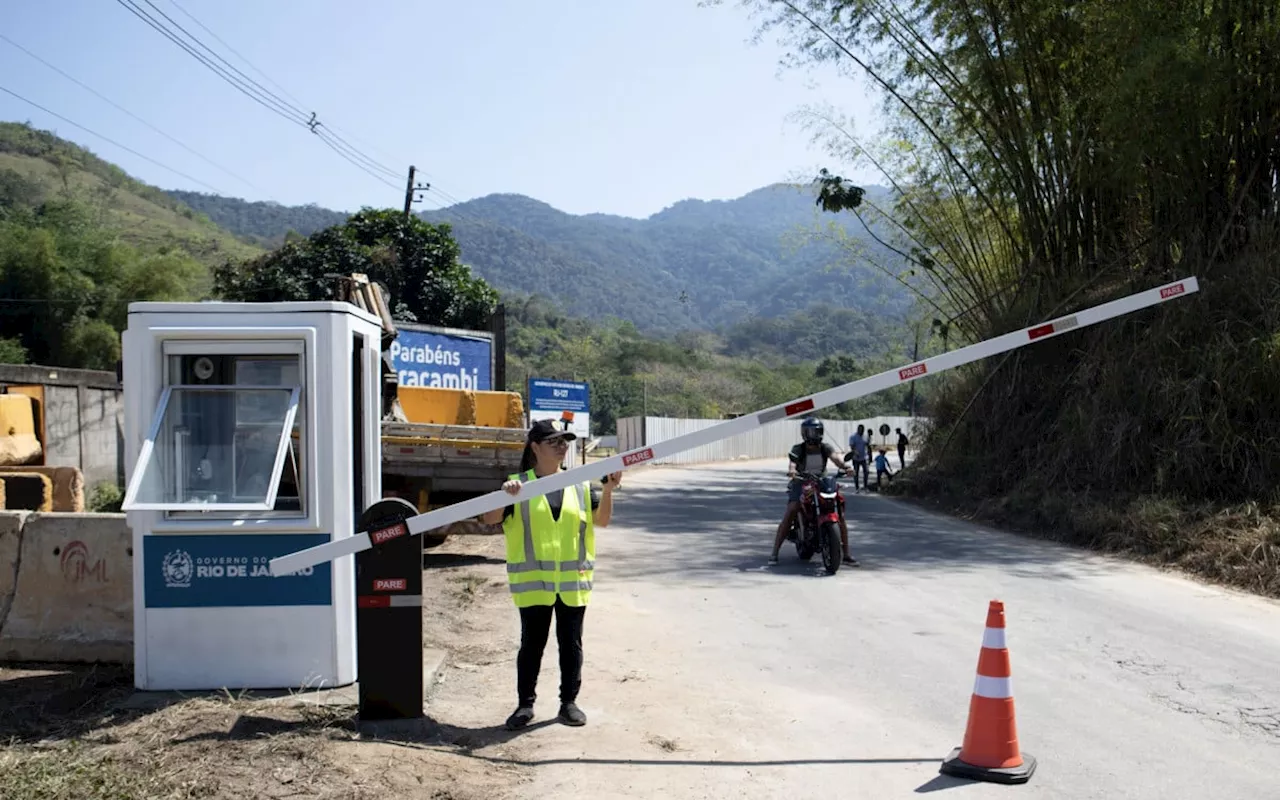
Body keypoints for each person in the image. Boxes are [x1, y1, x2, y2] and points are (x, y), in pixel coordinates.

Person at [480, 418, 622, 731]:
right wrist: (506, 495)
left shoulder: (580, 482)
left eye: (565, 441)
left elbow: (602, 521)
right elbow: (489, 519)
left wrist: (608, 490)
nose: (562, 447)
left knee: (571, 644)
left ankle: (568, 703)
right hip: (535, 584)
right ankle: (524, 706)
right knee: (532, 645)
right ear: (535, 447)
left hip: (572, 583)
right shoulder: (518, 484)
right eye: (554, 441)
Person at [770, 416, 859, 567]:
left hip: (821, 482)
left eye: (816, 432)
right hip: (801, 482)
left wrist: (846, 467)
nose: (813, 435)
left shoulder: (825, 447)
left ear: (821, 432)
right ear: (804, 433)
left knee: (839, 512)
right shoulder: (799, 448)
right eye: (810, 432)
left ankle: (846, 554)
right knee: (792, 508)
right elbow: (793, 463)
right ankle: (775, 552)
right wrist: (792, 471)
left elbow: (836, 459)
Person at [846, 424, 869, 490]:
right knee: (856, 473)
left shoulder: (865, 437)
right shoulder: (853, 437)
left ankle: (865, 486)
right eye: (860, 430)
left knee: (866, 472)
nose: (861, 431)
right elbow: (852, 446)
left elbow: (867, 446)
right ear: (858, 429)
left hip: (864, 457)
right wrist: (855, 452)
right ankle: (857, 487)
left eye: (862, 430)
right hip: (856, 458)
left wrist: (870, 456)